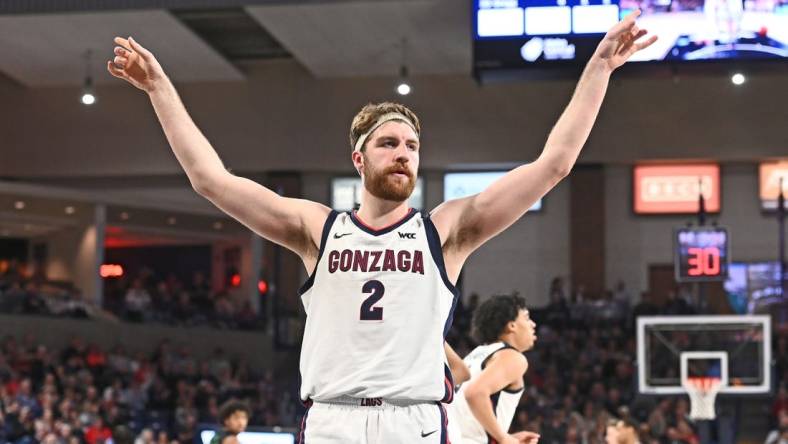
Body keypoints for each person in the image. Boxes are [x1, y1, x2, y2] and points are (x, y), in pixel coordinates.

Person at [107, 12, 656, 444]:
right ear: (358, 158)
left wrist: (598, 69)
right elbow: (210, 180)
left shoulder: (447, 229)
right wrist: (159, 88)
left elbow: (553, 165)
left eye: (412, 146)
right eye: (389, 144)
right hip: (331, 420)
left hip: (412, 421)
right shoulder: (315, 228)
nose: (403, 154)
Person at [448, 295, 539, 444]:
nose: (533, 324)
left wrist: (507, 437)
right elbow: (475, 393)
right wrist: (504, 439)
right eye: (527, 318)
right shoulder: (512, 357)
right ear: (512, 326)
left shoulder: (477, 354)